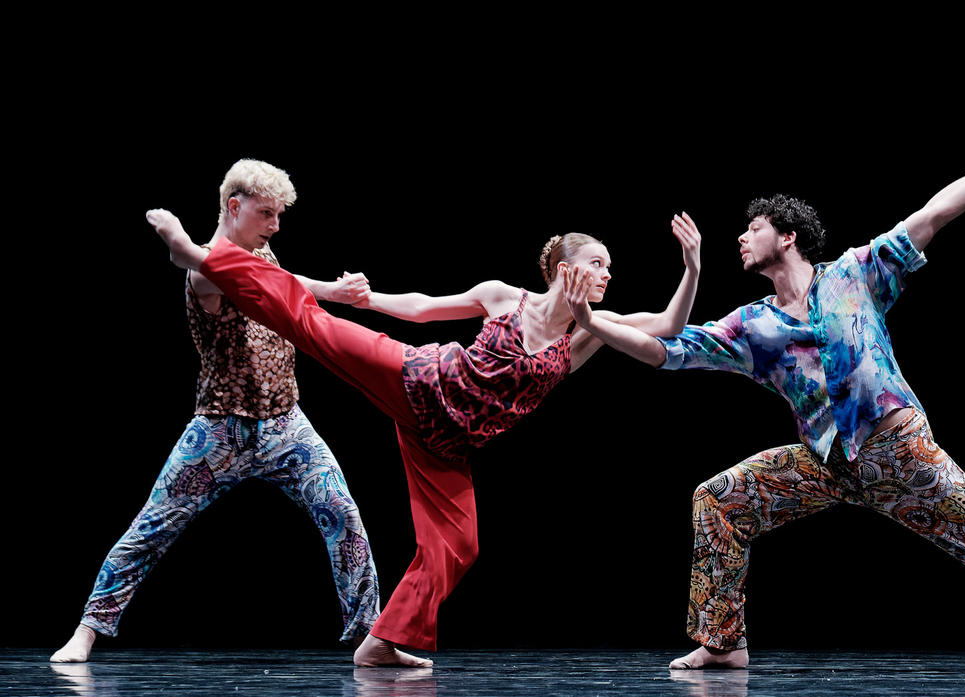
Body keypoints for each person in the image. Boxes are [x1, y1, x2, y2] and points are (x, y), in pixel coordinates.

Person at [563, 114, 965, 671]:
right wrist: (590, 324)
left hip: (899, 448)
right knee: (718, 500)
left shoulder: (856, 273)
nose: (741, 238)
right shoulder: (751, 326)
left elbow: (933, 215)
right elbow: (667, 350)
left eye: (753, 228)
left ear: (788, 236)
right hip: (826, 462)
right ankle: (722, 644)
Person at [145, 206, 703, 668]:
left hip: (447, 443)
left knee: (459, 547)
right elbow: (425, 308)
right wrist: (370, 301)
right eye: (597, 264)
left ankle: (380, 643)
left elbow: (669, 324)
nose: (607, 275)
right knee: (312, 325)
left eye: (609, 267)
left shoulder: (591, 334)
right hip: (418, 381)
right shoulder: (507, 297)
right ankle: (200, 255)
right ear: (562, 268)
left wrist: (693, 267)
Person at [51, 160, 381, 663]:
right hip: (219, 431)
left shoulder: (262, 252)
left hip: (285, 425)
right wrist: (174, 233)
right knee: (153, 527)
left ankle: (369, 638)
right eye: (266, 214)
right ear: (235, 206)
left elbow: (283, 279)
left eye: (278, 215)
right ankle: (87, 630)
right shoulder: (207, 273)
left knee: (343, 514)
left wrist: (333, 292)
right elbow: (203, 264)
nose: (275, 225)